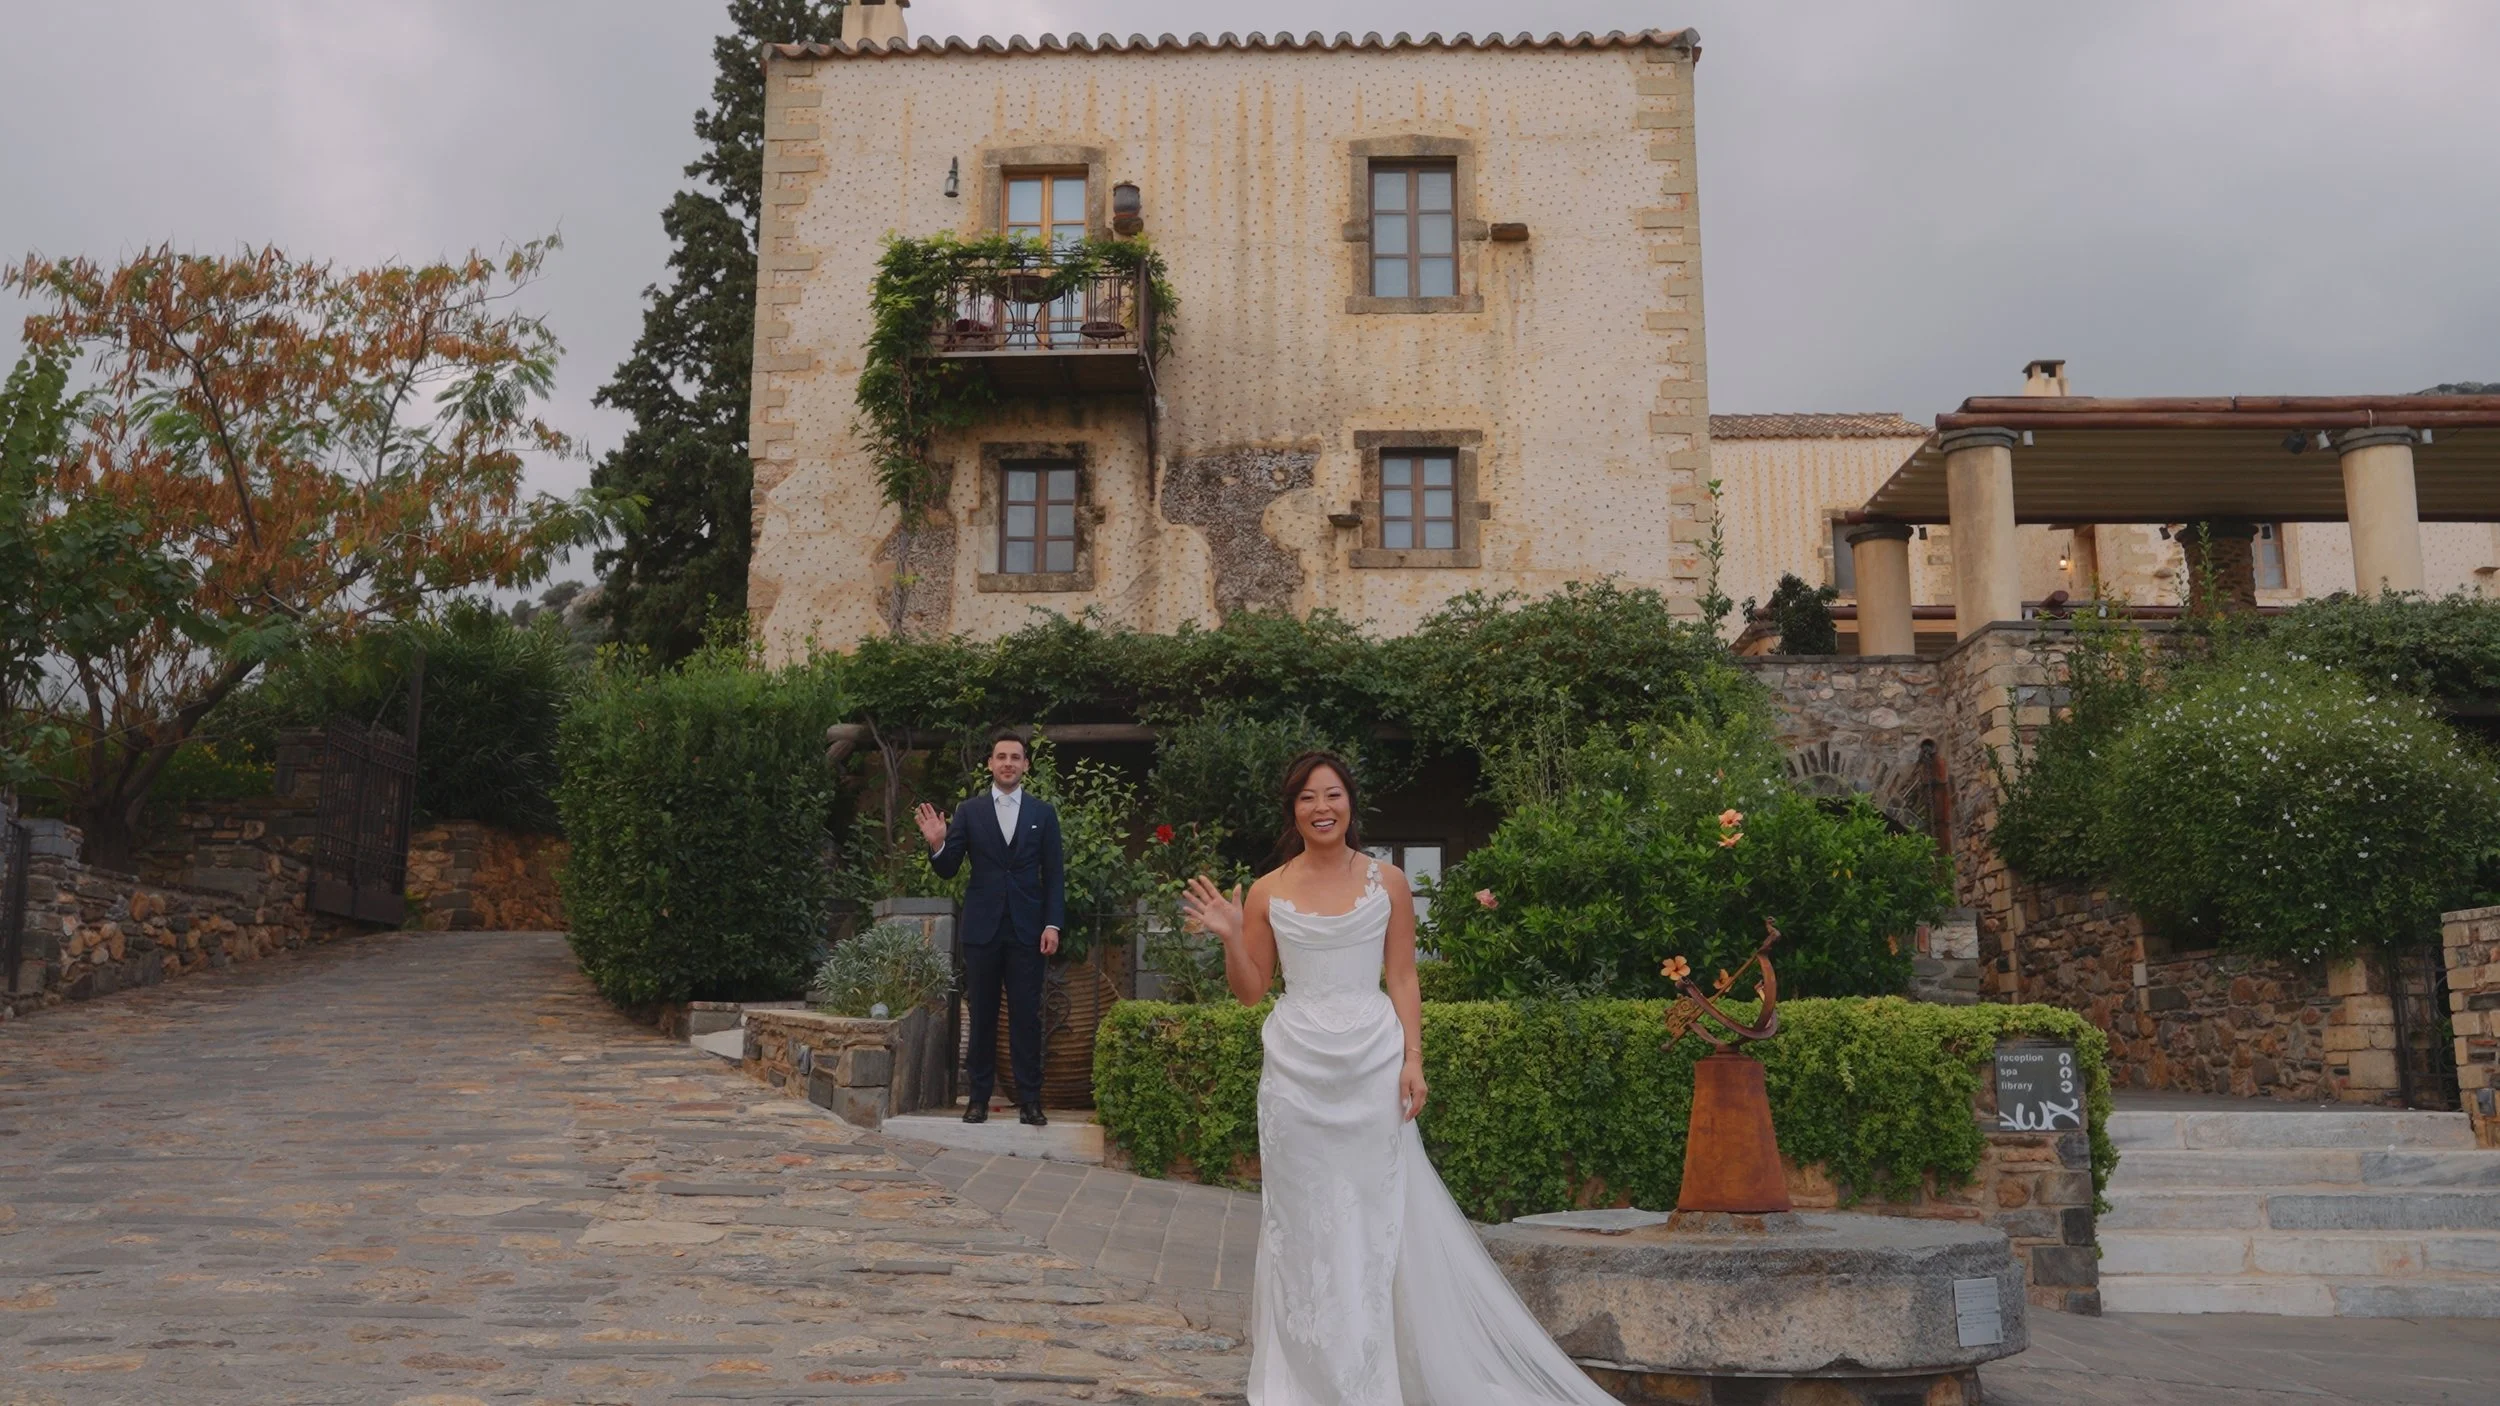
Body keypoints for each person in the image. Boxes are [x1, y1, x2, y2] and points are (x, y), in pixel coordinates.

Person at [1181, 752, 1622, 1406]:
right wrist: (1226, 935)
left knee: (1373, 1219)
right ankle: (1311, 1378)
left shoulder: (1387, 882)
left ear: (1350, 804)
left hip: (1371, 1066)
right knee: (1302, 1225)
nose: (1322, 807)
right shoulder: (1269, 890)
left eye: (1333, 794)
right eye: (1307, 797)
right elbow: (1251, 994)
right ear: (1292, 809)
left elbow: (1403, 978)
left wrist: (1414, 1058)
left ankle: (1371, 1376)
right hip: (1296, 1075)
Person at [917, 729, 1064, 1127]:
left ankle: (1030, 1100)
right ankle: (977, 1099)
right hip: (982, 930)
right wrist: (937, 844)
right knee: (981, 1015)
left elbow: (1054, 875)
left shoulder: (1042, 813)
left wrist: (1052, 924)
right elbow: (949, 869)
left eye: (1015, 757)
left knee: (1026, 1017)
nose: (1008, 763)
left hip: (1027, 930)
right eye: (1001, 757)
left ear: (1025, 765)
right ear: (990, 764)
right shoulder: (970, 811)